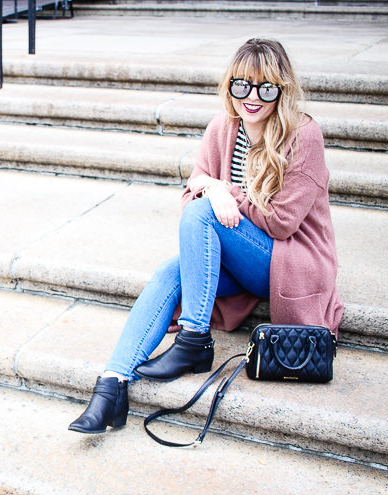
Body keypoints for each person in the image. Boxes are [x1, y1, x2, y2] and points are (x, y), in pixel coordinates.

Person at [68, 38, 344, 434]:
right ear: (228, 85)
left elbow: (282, 222)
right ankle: (112, 386)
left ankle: (194, 340)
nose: (252, 97)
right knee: (170, 272)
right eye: (241, 85)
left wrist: (218, 189)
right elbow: (191, 202)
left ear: (282, 89)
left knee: (204, 210)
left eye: (266, 87)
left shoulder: (303, 136)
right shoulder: (222, 128)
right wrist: (210, 188)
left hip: (290, 260)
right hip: (243, 256)